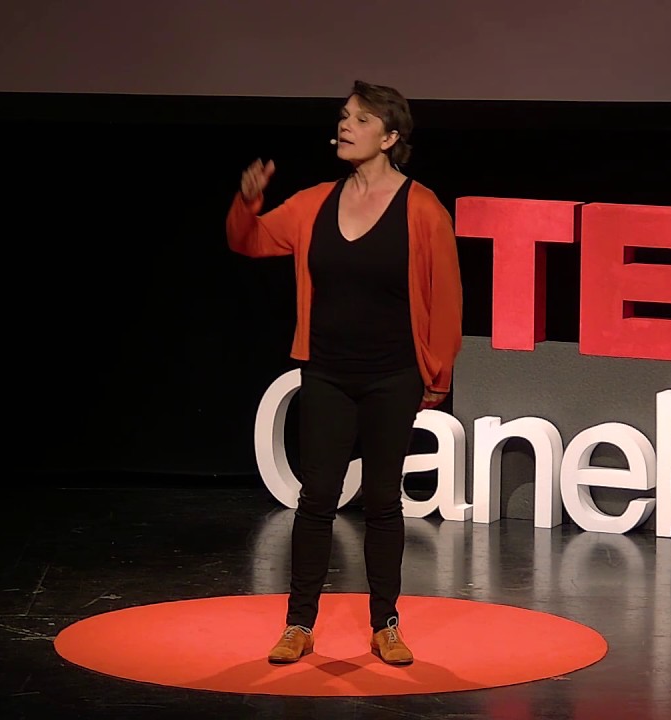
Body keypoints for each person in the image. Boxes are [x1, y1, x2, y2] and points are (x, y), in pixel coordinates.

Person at [225, 80, 463, 666]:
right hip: (327, 371)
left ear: (390, 137)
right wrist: (247, 202)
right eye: (344, 116)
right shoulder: (313, 203)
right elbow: (248, 242)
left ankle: (385, 623)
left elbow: (447, 297)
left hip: (393, 375)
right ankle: (298, 625)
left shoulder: (423, 208)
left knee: (383, 501)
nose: (346, 126)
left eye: (360, 119)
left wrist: (437, 373)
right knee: (317, 499)